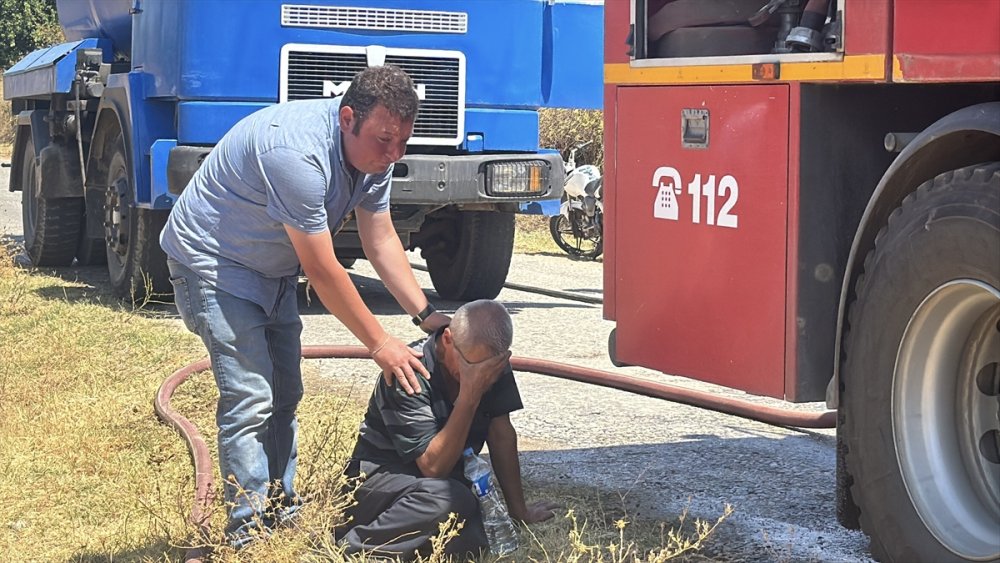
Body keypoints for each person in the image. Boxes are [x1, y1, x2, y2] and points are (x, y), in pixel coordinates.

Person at [159, 65, 449, 547]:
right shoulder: (295, 153)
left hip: (269, 268)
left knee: (286, 393)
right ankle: (246, 533)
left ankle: (281, 510)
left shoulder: (373, 155)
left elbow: (380, 239)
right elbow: (322, 269)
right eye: (383, 141)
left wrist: (425, 314)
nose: (394, 154)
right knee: (252, 397)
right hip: (212, 264)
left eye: (403, 142)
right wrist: (380, 343)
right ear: (347, 118)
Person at [338, 299, 559, 558]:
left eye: (489, 367)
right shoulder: (409, 370)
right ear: (447, 340)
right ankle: (353, 548)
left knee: (476, 534)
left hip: (437, 484)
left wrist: (518, 510)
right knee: (450, 500)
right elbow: (433, 467)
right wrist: (470, 395)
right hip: (379, 479)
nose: (479, 374)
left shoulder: (490, 363)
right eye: (469, 364)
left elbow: (501, 435)